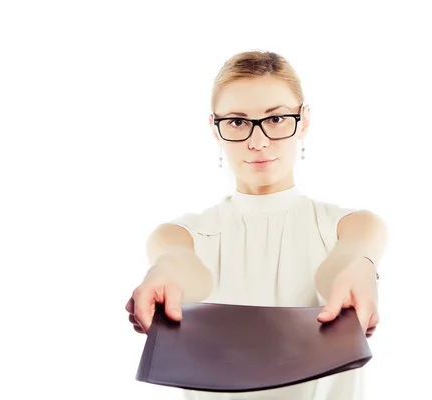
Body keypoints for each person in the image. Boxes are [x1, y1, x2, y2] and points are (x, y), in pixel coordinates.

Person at [125, 50, 389, 400]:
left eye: (277, 118)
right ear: (215, 129)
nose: (258, 140)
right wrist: (164, 274)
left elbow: (348, 259)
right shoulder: (181, 234)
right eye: (237, 122)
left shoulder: (352, 225)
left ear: (304, 120)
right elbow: (181, 267)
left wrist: (360, 268)